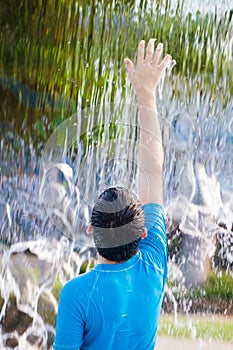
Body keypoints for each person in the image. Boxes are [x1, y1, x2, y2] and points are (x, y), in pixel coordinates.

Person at [53, 38, 172, 350]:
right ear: (145, 232)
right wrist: (146, 95)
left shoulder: (77, 294)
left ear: (91, 230)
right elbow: (154, 167)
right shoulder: (154, 265)